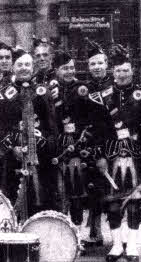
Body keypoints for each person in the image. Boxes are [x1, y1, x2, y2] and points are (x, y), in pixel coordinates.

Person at [86, 44, 141, 262]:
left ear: (132, 71)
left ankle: (133, 245)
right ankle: (117, 245)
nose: (122, 74)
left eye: (126, 70)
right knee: (113, 202)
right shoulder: (102, 97)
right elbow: (97, 129)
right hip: (112, 156)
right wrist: (99, 155)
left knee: (135, 201)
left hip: (135, 155)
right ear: (113, 72)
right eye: (118, 71)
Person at [0, 47, 51, 218]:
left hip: (39, 156)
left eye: (27, 64)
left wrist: (42, 142)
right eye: (20, 65)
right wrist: (11, 148)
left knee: (39, 197)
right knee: (11, 197)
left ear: (33, 68)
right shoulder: (2, 95)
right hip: (11, 156)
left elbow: (51, 125)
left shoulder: (42, 92)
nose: (24, 68)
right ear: (13, 68)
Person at [49, 49, 91, 225]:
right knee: (58, 190)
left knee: (76, 189)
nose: (69, 71)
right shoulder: (51, 89)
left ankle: (77, 229)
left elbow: (90, 118)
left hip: (77, 144)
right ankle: (61, 227)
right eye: (65, 68)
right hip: (56, 146)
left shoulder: (82, 88)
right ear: (57, 70)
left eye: (72, 67)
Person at [81, 38, 113, 248]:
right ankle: (95, 231)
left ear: (107, 64)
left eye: (100, 63)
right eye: (93, 64)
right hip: (93, 146)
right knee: (94, 191)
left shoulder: (115, 86)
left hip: (115, 146)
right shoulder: (85, 89)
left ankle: (122, 234)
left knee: (116, 191)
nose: (97, 67)